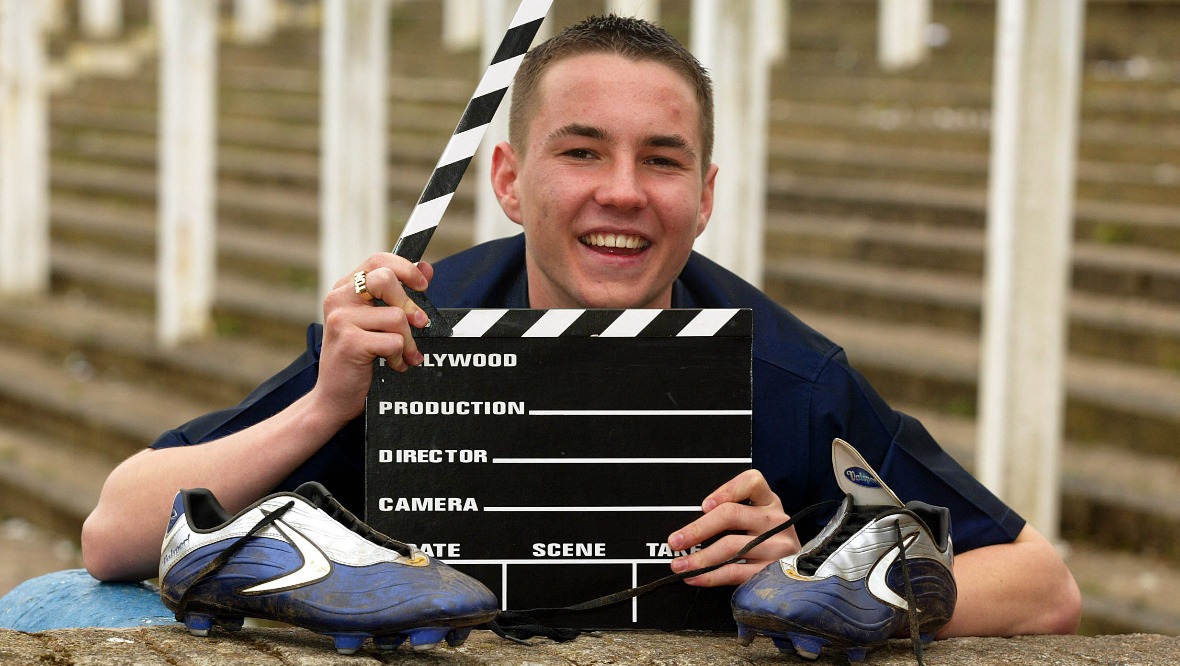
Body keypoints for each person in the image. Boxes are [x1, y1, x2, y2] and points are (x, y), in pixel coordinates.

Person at [80, 15, 1080, 637]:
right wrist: (324, 409)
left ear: (704, 194)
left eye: (660, 159)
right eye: (581, 150)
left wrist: (829, 578)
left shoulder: (787, 375)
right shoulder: (407, 335)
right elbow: (114, 533)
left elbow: (1041, 585)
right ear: (508, 181)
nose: (621, 193)